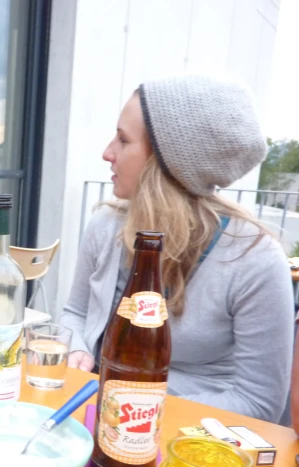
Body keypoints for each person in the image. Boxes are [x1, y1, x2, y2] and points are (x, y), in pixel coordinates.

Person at [61, 74, 294, 423]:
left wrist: (135, 411)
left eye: (123, 140)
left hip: (189, 442)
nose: (107, 152)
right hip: (88, 413)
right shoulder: (105, 226)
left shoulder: (255, 259)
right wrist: (76, 347)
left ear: (166, 164)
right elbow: (75, 313)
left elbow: (260, 403)